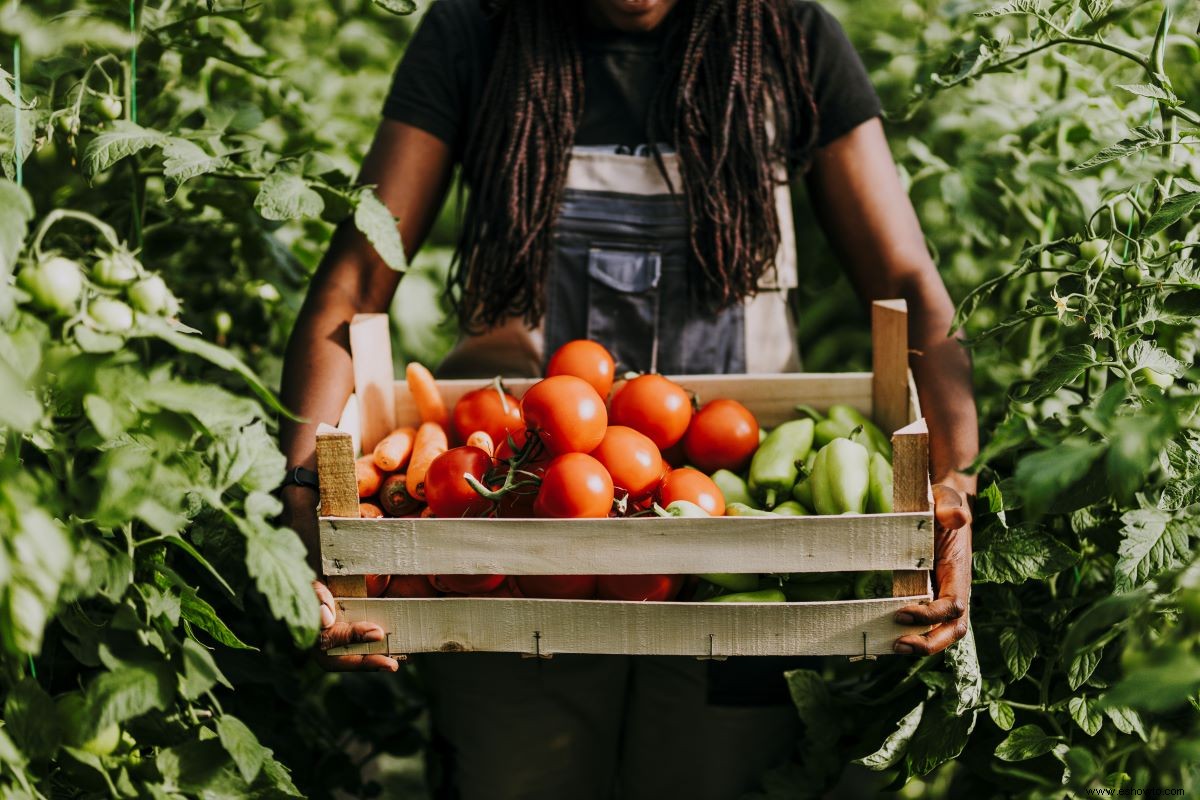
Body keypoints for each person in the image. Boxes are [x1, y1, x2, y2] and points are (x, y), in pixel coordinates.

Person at [279, 0, 977, 797]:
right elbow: (357, 281)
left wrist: (954, 485)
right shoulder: (478, 27)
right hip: (517, 543)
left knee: (714, 778)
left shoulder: (786, 33)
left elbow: (904, 279)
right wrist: (303, 493)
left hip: (737, 547)